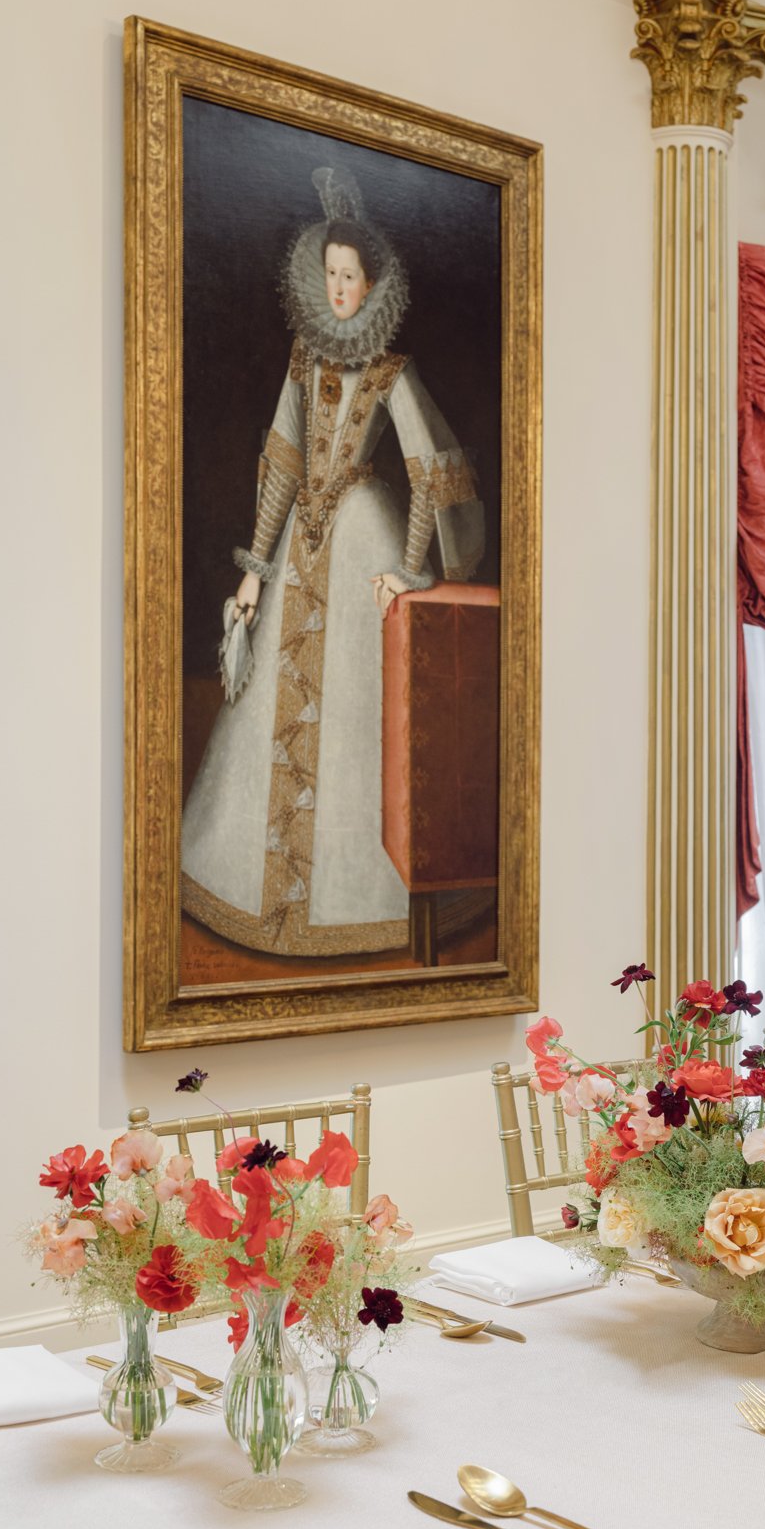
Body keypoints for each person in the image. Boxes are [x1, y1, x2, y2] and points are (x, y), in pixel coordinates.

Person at [180, 164, 484, 958]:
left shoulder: (391, 370)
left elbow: (428, 468)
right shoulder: (303, 358)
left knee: (361, 728)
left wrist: (410, 569)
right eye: (331, 275)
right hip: (298, 545)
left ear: (372, 283)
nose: (339, 288)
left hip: (360, 539)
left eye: (350, 276)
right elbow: (283, 461)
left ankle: (356, 906)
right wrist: (254, 570)